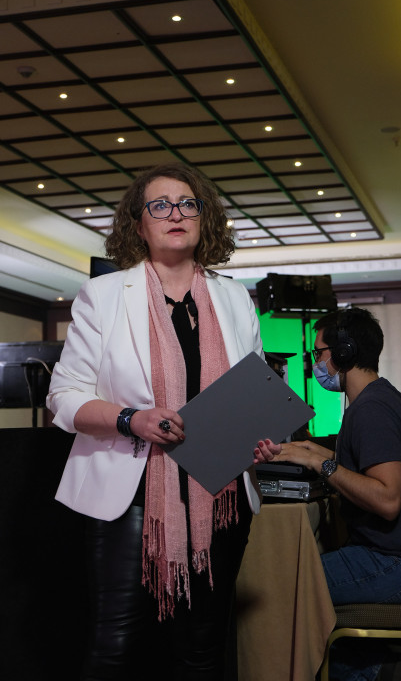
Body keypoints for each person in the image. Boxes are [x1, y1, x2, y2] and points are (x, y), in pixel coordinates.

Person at [47, 161, 264, 681]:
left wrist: (259, 437)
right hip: (131, 495)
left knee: (203, 650)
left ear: (204, 219)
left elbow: (253, 393)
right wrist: (131, 419)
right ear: (138, 223)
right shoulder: (104, 295)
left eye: (188, 204)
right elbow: (63, 397)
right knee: (116, 647)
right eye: (160, 205)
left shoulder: (234, 296)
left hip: (221, 494)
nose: (176, 214)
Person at [255, 308, 401, 681]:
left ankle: (388, 674)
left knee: (284, 587)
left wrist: (321, 464)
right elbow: (365, 467)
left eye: (319, 352)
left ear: (344, 352)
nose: (316, 363)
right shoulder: (381, 398)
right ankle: (395, 671)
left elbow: (387, 500)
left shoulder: (371, 410)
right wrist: (310, 452)